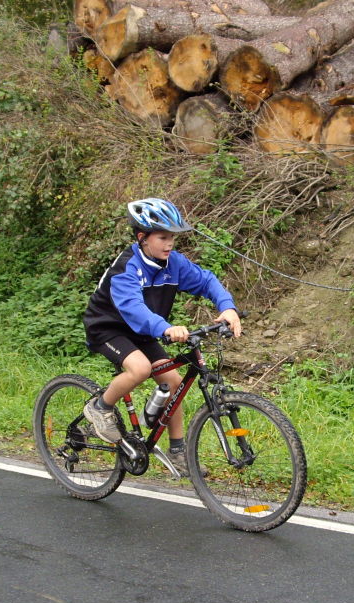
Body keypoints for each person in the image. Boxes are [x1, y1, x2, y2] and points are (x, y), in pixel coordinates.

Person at [81, 198, 242, 478]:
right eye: (163, 237)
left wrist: (227, 307)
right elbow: (134, 308)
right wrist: (166, 328)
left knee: (174, 382)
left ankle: (177, 451)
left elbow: (206, 280)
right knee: (140, 369)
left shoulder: (173, 263)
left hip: (144, 331)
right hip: (108, 327)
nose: (169, 244)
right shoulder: (127, 268)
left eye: (172, 238)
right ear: (142, 238)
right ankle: (100, 407)